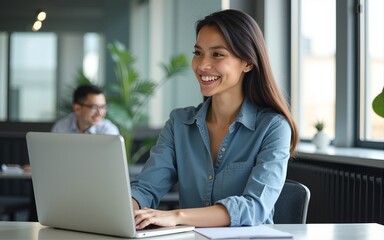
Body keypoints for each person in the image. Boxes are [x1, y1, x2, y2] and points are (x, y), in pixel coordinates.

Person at [131, 9, 298, 228]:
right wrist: (128, 209)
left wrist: (177, 216)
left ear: (247, 62)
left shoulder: (273, 127)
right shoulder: (179, 123)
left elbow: (255, 207)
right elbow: (146, 188)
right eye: (198, 53)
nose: (202, 65)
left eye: (217, 54)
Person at [51, 84, 119, 135]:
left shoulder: (109, 131)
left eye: (103, 107)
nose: (100, 113)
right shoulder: (61, 128)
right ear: (77, 109)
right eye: (94, 107)